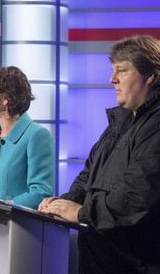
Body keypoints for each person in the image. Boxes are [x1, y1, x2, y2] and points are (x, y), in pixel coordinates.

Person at [38, 35, 160, 274]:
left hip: (133, 265)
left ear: (151, 76)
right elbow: (88, 176)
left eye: (122, 71)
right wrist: (63, 202)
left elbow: (136, 198)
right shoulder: (121, 121)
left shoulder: (155, 126)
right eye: (113, 70)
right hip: (98, 260)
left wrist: (81, 212)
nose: (112, 79)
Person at [0, 66, 55, 209]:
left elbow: (41, 192)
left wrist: (6, 206)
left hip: (17, 225)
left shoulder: (37, 135)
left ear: (5, 98)